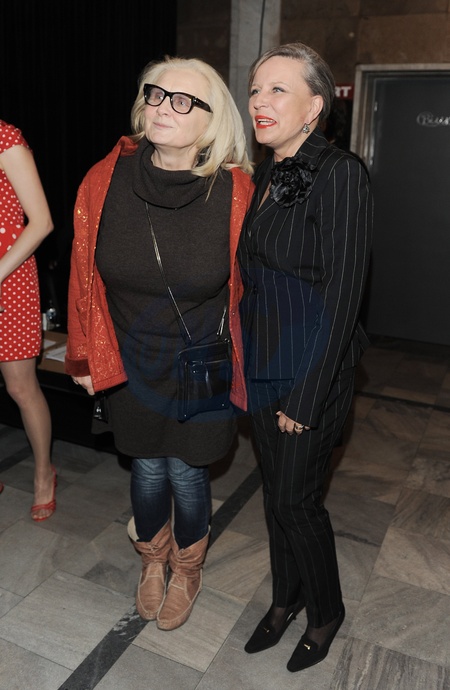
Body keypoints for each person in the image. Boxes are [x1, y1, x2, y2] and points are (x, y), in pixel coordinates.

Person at [65, 56, 253, 631]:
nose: (163, 107)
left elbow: (257, 289)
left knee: (188, 473)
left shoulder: (236, 191)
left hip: (202, 366)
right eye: (156, 94)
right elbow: (82, 276)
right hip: (131, 359)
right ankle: (152, 561)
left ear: (212, 119)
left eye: (183, 100)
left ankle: (187, 568)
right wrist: (83, 354)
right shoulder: (104, 179)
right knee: (147, 468)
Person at [238, 43, 373, 672]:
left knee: (296, 501)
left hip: (310, 373)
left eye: (278, 90)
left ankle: (325, 611)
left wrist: (307, 393)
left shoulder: (341, 173)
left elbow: (344, 296)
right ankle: (284, 598)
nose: (259, 102)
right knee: (274, 497)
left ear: (314, 106)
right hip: (264, 368)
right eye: (255, 89)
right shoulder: (268, 173)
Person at [0, 120, 55, 521]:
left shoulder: (5, 138)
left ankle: (43, 474)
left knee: (20, 386)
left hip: (10, 277)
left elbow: (41, 222)